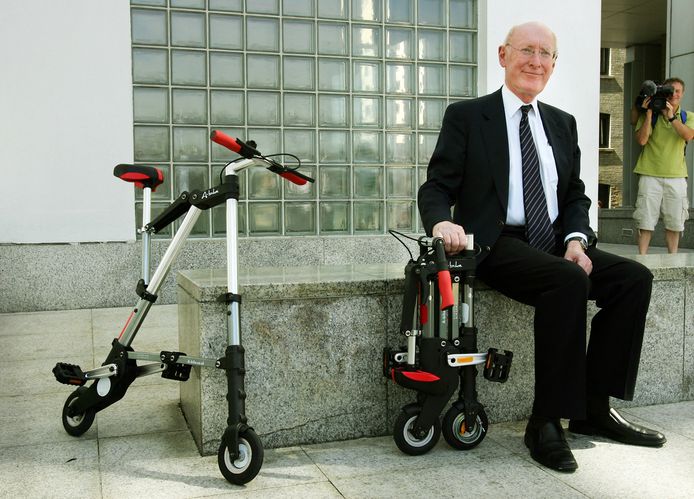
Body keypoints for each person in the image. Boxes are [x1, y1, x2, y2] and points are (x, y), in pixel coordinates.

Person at [418, 21, 666, 473]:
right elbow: (437, 185)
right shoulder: (469, 116)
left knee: (633, 278)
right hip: (496, 243)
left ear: (554, 64)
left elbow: (574, 195)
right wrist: (441, 222)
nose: (536, 60)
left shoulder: (562, 122)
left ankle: (592, 410)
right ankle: (545, 421)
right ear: (503, 55)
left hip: (553, 241)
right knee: (567, 280)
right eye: (526, 50)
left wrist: (575, 238)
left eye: (545, 53)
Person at [632, 77, 693, 254]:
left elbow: (688, 135)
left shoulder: (686, 116)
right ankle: (642, 257)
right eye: (669, 90)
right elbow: (642, 140)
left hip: (676, 176)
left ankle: (673, 259)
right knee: (645, 221)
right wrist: (650, 113)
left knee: (675, 222)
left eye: (677, 91)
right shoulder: (650, 115)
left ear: (682, 94)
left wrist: (671, 116)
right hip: (649, 174)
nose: (673, 94)